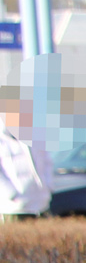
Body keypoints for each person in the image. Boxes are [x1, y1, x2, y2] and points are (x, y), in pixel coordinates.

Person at [0, 89, 51, 218]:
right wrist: (11, 194)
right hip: (14, 208)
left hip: (40, 204)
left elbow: (46, 161)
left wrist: (48, 186)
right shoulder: (3, 138)